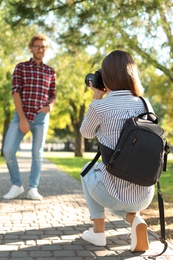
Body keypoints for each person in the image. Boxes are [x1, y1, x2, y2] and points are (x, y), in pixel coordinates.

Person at [80, 50, 155, 252]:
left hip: (111, 192)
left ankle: (98, 232)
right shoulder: (145, 103)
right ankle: (134, 220)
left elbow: (86, 133)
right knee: (123, 195)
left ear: (107, 76)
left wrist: (97, 96)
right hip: (145, 193)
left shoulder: (101, 106)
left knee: (87, 169)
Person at [3, 33, 56, 200]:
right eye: (37, 46)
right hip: (21, 115)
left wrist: (51, 106)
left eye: (43, 47)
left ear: (46, 49)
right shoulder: (21, 67)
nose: (40, 49)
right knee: (8, 150)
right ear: (31, 48)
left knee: (37, 154)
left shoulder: (50, 71)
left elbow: (52, 94)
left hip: (41, 118)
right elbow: (15, 92)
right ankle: (16, 185)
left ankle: (33, 188)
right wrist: (23, 118)